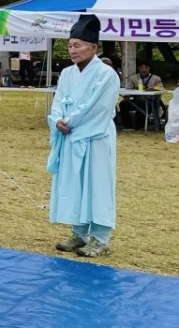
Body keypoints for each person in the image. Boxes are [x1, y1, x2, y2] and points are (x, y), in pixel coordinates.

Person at [47, 14, 118, 258]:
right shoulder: (67, 74)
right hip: (70, 137)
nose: (72, 50)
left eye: (77, 45)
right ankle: (79, 233)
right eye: (70, 46)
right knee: (75, 185)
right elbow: (58, 102)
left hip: (95, 137)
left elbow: (97, 108)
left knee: (97, 186)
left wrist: (69, 122)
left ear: (93, 48)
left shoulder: (107, 75)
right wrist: (57, 120)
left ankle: (100, 238)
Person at [119, 61, 163, 131]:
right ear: (138, 68)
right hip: (137, 100)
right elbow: (128, 89)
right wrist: (127, 96)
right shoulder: (133, 78)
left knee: (143, 106)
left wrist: (151, 88)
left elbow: (161, 88)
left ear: (149, 68)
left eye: (146, 68)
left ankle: (140, 126)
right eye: (141, 68)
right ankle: (128, 126)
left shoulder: (156, 78)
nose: (144, 70)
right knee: (123, 104)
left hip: (150, 101)